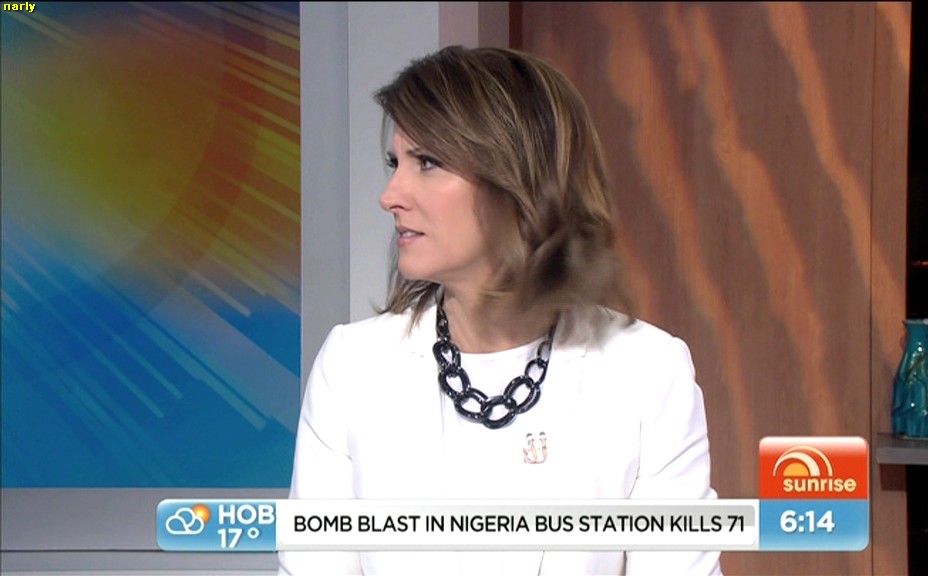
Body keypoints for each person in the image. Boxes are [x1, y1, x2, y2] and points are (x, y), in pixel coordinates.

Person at [278, 45, 721, 576]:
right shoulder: (353, 367)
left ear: (519, 179)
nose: (390, 195)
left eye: (428, 162)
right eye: (395, 164)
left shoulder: (646, 371)